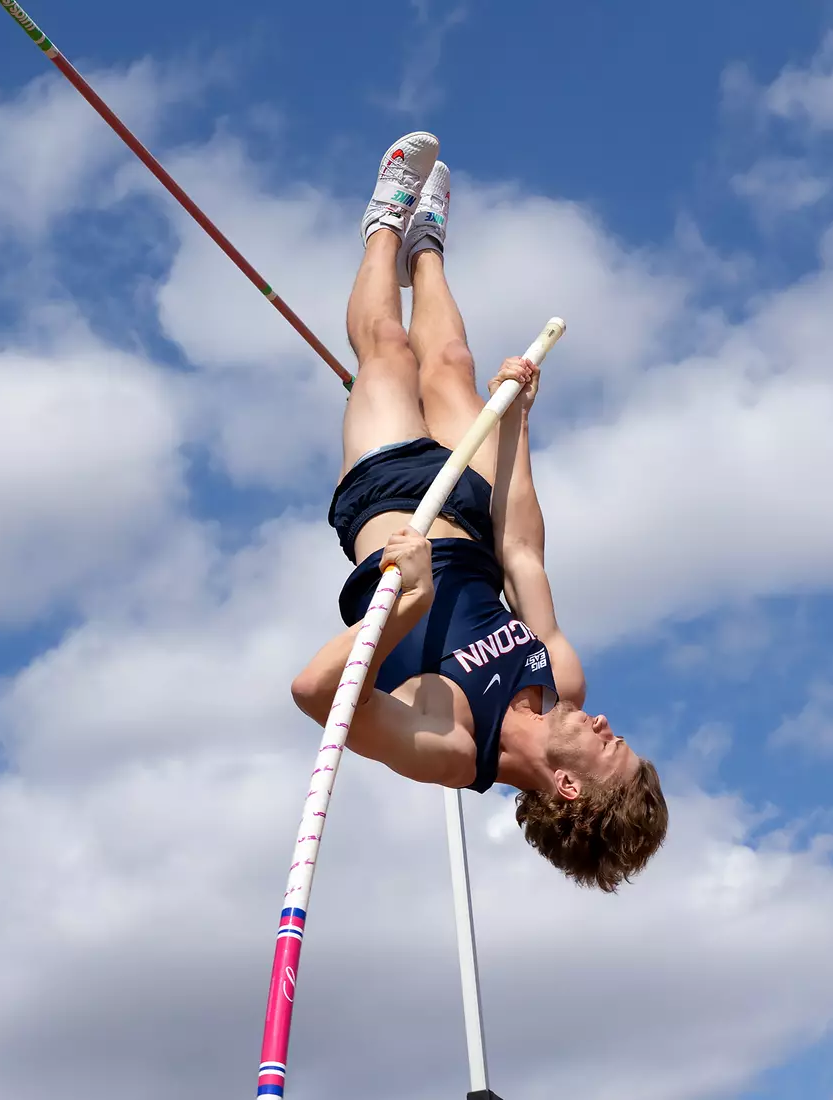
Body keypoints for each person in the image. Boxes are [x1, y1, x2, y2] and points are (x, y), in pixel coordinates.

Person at [290, 132, 668, 891]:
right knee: (455, 363)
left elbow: (317, 694)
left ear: (569, 789)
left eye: (609, 747)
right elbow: (523, 552)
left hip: (392, 506)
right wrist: (518, 423)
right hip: (474, 514)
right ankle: (428, 247)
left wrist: (408, 603)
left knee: (391, 352)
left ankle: (385, 224)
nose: (603, 726)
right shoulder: (562, 680)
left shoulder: (452, 745)